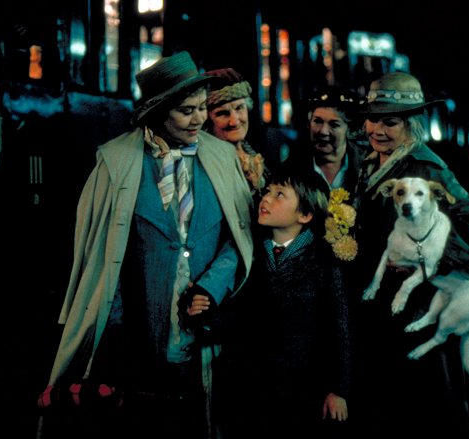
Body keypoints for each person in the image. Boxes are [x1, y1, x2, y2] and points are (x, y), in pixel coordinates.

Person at [36, 51, 254, 439]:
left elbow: (238, 238)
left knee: (202, 422)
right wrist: (116, 331)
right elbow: (103, 252)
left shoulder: (221, 157)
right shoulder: (117, 161)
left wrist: (212, 287)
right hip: (141, 330)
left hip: (204, 329)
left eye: (203, 108)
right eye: (187, 111)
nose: (200, 119)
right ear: (158, 112)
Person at [349, 71, 469, 438]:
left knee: (424, 412)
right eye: (372, 119)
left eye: (390, 122)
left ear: (411, 124)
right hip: (382, 310)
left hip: (419, 310)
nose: (376, 129)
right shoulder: (374, 161)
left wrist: (428, 264)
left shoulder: (427, 168)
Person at [214, 166, 353, 439]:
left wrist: (339, 389)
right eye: (267, 191)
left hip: (302, 385)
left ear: (305, 214)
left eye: (279, 195)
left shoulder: (323, 262)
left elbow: (340, 326)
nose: (266, 199)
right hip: (251, 382)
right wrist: (207, 318)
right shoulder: (249, 253)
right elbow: (239, 314)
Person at [285, 85, 365, 194]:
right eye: (317, 121)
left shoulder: (366, 169)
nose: (323, 131)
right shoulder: (291, 170)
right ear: (309, 123)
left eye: (334, 124)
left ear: (350, 129)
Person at [204, 67, 270, 196]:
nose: (234, 122)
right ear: (207, 120)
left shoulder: (251, 149)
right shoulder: (210, 166)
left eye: (239, 108)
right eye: (222, 113)